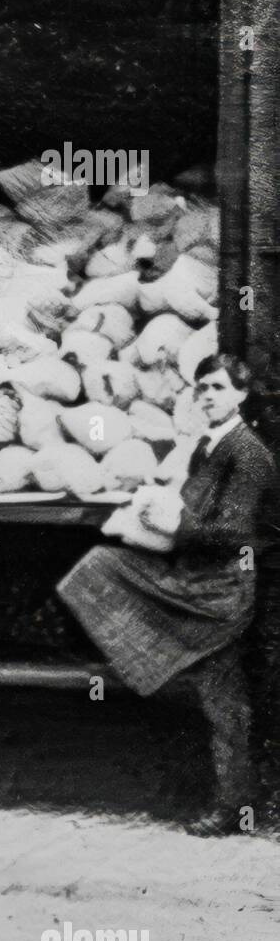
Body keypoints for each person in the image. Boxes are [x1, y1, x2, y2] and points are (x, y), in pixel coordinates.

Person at [57, 354, 278, 837]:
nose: (207, 396)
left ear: (241, 395)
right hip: (193, 579)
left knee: (224, 700)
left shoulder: (248, 452)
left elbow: (232, 532)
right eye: (201, 389)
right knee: (99, 566)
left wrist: (174, 527)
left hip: (221, 590)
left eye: (218, 388)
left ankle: (233, 807)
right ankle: (235, 801)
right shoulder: (206, 448)